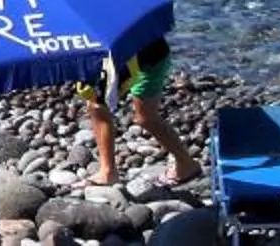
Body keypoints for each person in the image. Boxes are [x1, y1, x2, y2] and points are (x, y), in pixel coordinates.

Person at [81, 36, 202, 186]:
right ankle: (108, 171)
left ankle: (186, 164)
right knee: (100, 106)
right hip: (138, 53)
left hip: (147, 59)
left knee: (140, 116)